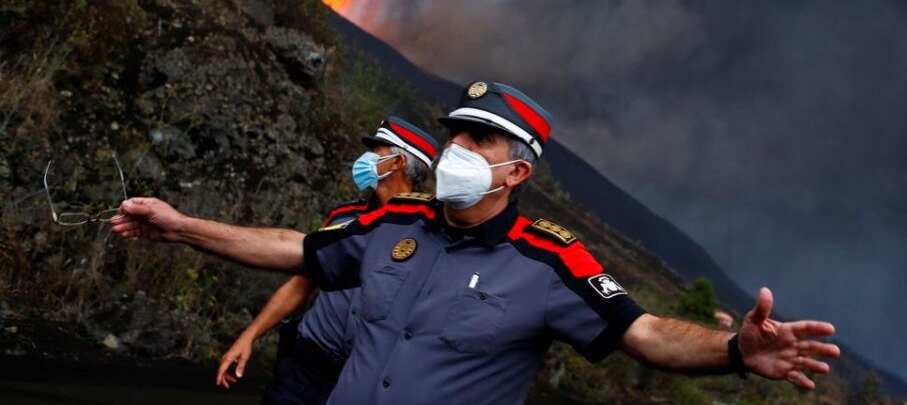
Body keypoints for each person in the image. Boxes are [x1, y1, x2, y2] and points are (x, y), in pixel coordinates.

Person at [111, 81, 840, 404]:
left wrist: (737, 352)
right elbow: (295, 250)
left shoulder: (550, 258)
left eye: (477, 137)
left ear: (516, 167)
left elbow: (642, 331)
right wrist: (180, 225)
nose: (453, 146)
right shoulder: (392, 226)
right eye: (452, 131)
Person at [215, 116, 439, 405]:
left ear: (396, 162)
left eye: (378, 150)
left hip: (363, 377)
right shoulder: (344, 217)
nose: (366, 158)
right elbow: (302, 281)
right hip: (307, 363)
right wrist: (249, 336)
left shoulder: (429, 233)